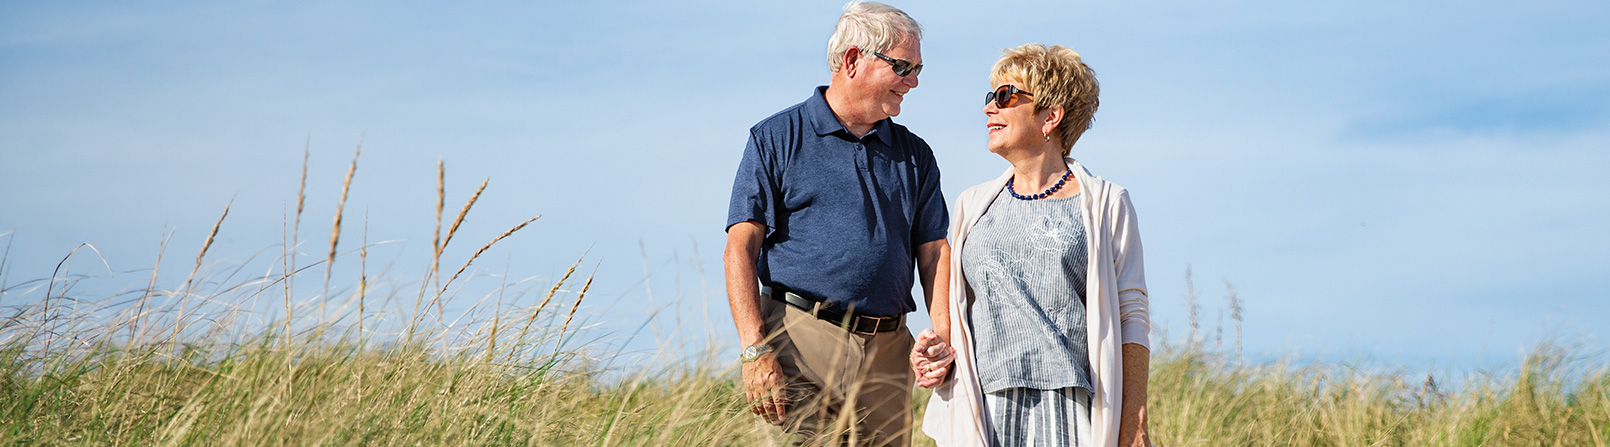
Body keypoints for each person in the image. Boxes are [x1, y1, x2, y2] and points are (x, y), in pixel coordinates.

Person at [723, 2, 949, 446]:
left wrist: (940, 338)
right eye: (903, 66)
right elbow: (740, 249)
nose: (914, 82)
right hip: (798, 343)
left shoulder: (916, 155)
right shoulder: (776, 137)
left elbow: (935, 253)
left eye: (919, 69)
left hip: (888, 351)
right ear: (852, 60)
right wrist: (754, 349)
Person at [910, 44, 1154, 447]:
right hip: (985, 407)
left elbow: (1132, 314)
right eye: (990, 98)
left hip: (1073, 407)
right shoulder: (971, 205)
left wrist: (1135, 421)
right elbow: (959, 311)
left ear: (1050, 116)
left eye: (1005, 96)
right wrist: (936, 352)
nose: (991, 108)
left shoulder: (1107, 203)